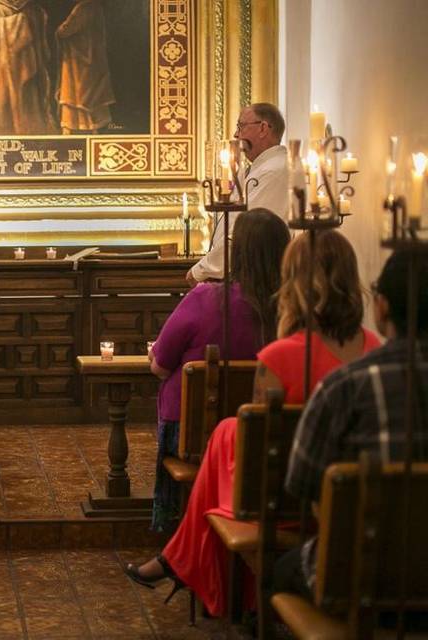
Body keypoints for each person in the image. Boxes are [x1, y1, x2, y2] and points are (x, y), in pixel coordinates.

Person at [126, 230, 382, 618]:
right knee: (229, 432)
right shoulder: (374, 351)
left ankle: (181, 562)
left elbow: (267, 453)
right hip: (356, 497)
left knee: (229, 431)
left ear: (293, 282)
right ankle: (176, 561)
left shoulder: (280, 357)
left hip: (284, 498)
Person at [274, 249, 428, 618]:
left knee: (279, 570)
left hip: (362, 575)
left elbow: (301, 484)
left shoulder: (345, 386)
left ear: (382, 307)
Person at [148, 209, 290, 532]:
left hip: (192, 433)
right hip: (264, 433)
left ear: (235, 252)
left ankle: (174, 526)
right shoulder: (290, 308)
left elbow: (159, 365)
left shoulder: (205, 298)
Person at [189, 103, 292, 285]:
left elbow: (246, 234)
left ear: (263, 128)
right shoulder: (256, 169)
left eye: (241, 126)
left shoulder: (275, 171)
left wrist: (202, 271)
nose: (237, 135)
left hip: (256, 280)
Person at [0, 0, 56, 134]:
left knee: (28, 98)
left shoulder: (30, 5)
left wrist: (37, 18)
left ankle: (32, 132)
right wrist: (20, 22)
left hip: (28, 64)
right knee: (3, 101)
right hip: (2, 68)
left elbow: (39, 28)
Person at [55, 0, 116, 134]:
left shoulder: (84, 8)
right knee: (92, 96)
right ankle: (92, 129)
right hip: (92, 60)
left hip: (78, 61)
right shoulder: (96, 6)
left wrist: (58, 31)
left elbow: (65, 30)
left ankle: (71, 129)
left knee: (76, 95)